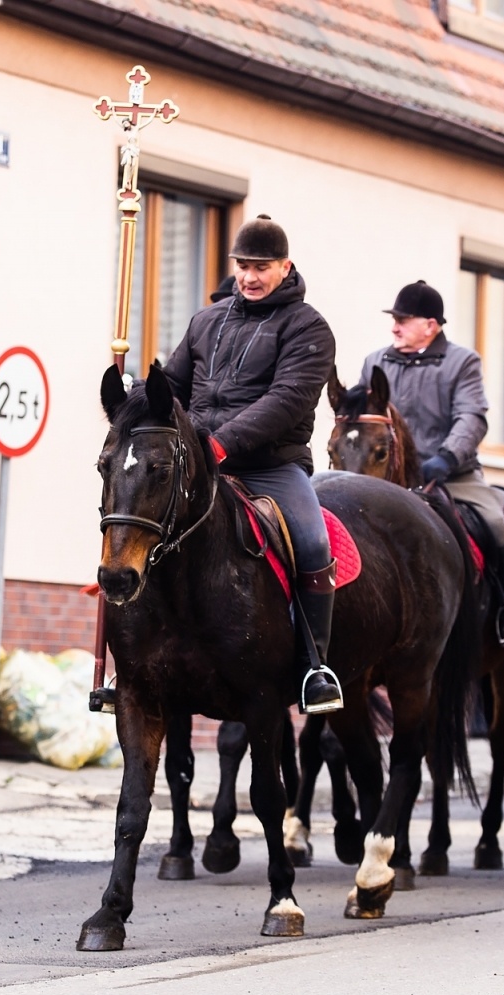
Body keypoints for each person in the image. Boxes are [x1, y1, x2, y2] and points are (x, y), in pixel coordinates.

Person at [165, 215, 343, 714]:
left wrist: (221, 443)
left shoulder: (309, 327)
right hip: (199, 463)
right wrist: (138, 395)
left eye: (260, 267)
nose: (249, 276)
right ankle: (132, 661)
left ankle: (314, 667)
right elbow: (174, 387)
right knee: (137, 521)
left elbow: (287, 400)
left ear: (285, 266)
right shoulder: (206, 320)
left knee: (313, 543)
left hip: (271, 466)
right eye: (242, 266)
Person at [358, 280, 504, 646]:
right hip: (389, 477)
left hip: (452, 474)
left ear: (430, 326)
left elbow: (472, 417)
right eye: (394, 319)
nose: (394, 327)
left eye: (403, 320)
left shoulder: (462, 362)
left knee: (497, 525)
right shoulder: (375, 362)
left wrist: (447, 457)